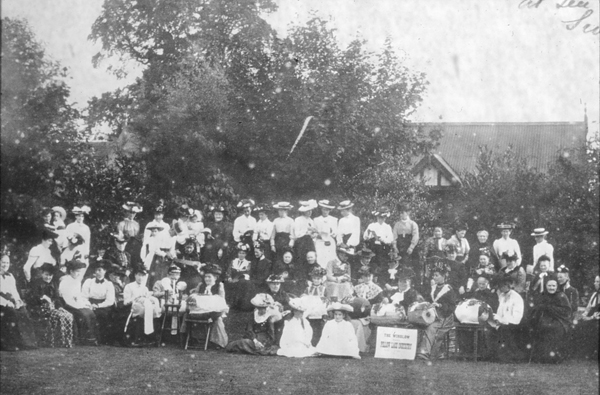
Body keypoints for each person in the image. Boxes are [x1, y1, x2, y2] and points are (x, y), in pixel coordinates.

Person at [416, 262, 457, 361]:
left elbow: (452, 306)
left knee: (431, 327)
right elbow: (429, 300)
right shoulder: (433, 288)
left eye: (437, 275)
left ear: (443, 276)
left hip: (446, 317)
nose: (434, 277)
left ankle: (425, 352)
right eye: (433, 275)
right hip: (434, 315)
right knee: (420, 323)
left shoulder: (448, 289)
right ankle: (432, 352)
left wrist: (439, 305)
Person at [27, 262, 74, 348]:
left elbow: (56, 298)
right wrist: (43, 297)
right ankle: (52, 341)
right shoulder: (36, 283)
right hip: (39, 308)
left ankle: (64, 341)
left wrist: (59, 307)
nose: (48, 277)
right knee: (58, 316)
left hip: (52, 308)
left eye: (50, 275)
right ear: (42, 273)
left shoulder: (53, 284)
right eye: (46, 275)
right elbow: (32, 298)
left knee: (68, 315)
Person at [529, 274, 572, 363]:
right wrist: (540, 308)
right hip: (544, 319)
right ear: (546, 286)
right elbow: (537, 308)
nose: (551, 288)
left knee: (554, 328)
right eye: (549, 285)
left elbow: (566, 311)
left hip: (559, 320)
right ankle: (542, 357)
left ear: (557, 286)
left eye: (553, 286)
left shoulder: (561, 296)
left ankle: (554, 358)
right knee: (541, 327)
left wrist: (549, 308)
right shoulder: (542, 295)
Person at [184, 264, 229, 348]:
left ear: (215, 277)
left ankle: (217, 342)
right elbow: (195, 296)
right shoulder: (201, 285)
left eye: (209, 277)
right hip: (199, 310)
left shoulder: (219, 285)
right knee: (187, 314)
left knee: (217, 319)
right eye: (205, 277)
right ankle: (191, 338)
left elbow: (222, 300)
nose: (207, 279)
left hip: (213, 310)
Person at [0, 252, 38, 351]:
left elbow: (14, 291)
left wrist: (18, 301)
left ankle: (26, 343)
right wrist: (6, 303)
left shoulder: (10, 276)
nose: (5, 265)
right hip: (1, 303)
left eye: (7, 263)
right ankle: (9, 344)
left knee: (23, 311)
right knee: (11, 313)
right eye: (3, 262)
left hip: (11, 302)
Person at [59, 259, 98, 346]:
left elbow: (78, 295)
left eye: (80, 272)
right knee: (83, 314)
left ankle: (91, 338)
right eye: (77, 272)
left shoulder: (77, 281)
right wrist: (79, 306)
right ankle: (83, 339)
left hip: (77, 303)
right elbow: (67, 299)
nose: (79, 274)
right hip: (67, 305)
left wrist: (85, 304)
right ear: (71, 271)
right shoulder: (65, 282)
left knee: (90, 313)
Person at [487, 274, 526, 362]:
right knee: (490, 328)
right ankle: (492, 355)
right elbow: (500, 312)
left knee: (504, 330)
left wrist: (503, 321)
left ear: (509, 285)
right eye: (500, 286)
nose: (501, 288)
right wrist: (496, 319)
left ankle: (508, 356)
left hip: (514, 324)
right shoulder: (502, 296)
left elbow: (517, 318)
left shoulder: (516, 297)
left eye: (503, 285)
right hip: (502, 322)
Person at [123, 268, 161, 345]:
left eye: (143, 276)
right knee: (144, 310)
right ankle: (140, 338)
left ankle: (150, 337)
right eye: (139, 275)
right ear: (135, 275)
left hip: (144, 306)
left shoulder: (145, 288)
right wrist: (137, 297)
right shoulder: (129, 286)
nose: (141, 278)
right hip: (132, 307)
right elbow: (126, 302)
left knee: (154, 309)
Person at [81, 260, 116, 345]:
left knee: (103, 315)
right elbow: (84, 296)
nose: (98, 272)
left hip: (104, 305)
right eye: (96, 270)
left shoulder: (109, 284)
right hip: (89, 303)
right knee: (88, 314)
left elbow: (110, 300)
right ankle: (90, 338)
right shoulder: (89, 282)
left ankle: (102, 339)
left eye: (100, 270)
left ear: (105, 271)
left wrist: (98, 305)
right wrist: (89, 305)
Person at [392, 204, 420, 287]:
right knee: (400, 265)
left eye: (403, 212)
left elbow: (416, 236)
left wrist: (411, 247)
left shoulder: (412, 224)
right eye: (400, 213)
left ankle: (415, 285)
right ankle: (400, 285)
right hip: (400, 247)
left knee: (414, 266)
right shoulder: (397, 224)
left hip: (411, 246)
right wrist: (395, 247)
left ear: (408, 213)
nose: (401, 214)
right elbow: (394, 236)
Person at [573, 274, 599, 360]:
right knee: (577, 325)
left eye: (597, 281)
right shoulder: (595, 294)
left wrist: (591, 318)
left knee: (594, 327)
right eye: (595, 281)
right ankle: (580, 353)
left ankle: (593, 354)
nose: (595, 283)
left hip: (597, 319)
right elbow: (588, 307)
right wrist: (584, 316)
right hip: (591, 317)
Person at [141, 223, 176, 288]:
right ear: (172, 229)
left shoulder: (174, 237)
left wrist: (173, 256)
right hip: (159, 257)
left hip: (167, 260)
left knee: (165, 275)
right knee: (156, 275)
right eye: (174, 232)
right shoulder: (161, 235)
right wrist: (165, 254)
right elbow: (155, 249)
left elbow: (172, 249)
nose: (174, 235)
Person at [363, 206, 394, 271]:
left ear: (385, 218)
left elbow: (390, 240)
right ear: (376, 217)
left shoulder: (387, 227)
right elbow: (365, 236)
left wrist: (382, 239)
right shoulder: (372, 225)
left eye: (382, 218)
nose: (380, 219)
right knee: (372, 265)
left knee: (382, 266)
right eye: (379, 217)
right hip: (372, 248)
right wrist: (369, 234)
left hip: (383, 249)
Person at [313, 200, 338, 268]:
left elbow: (335, 232)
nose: (325, 211)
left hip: (329, 241)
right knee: (320, 256)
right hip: (319, 241)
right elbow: (314, 232)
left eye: (327, 210)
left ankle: (329, 272)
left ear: (329, 210)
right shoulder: (316, 219)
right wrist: (318, 235)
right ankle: (320, 273)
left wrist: (331, 233)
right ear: (321, 209)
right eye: (324, 209)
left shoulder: (334, 219)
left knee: (329, 256)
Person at [293, 200, 318, 267]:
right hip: (301, 242)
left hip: (309, 242)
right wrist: (306, 231)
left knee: (311, 257)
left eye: (311, 210)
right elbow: (297, 233)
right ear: (304, 211)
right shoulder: (298, 220)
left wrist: (314, 234)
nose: (310, 212)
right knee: (301, 258)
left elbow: (313, 234)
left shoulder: (311, 220)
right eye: (308, 211)